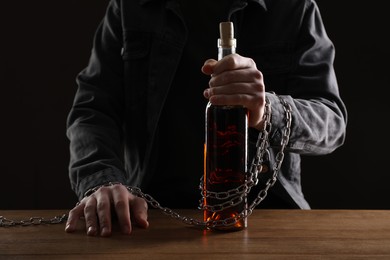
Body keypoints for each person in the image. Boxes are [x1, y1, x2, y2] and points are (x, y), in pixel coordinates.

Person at [64, 0, 347, 237]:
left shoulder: (294, 7)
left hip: (267, 217)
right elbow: (93, 110)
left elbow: (331, 122)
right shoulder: (131, 7)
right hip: (149, 218)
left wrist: (266, 110)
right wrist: (101, 181)